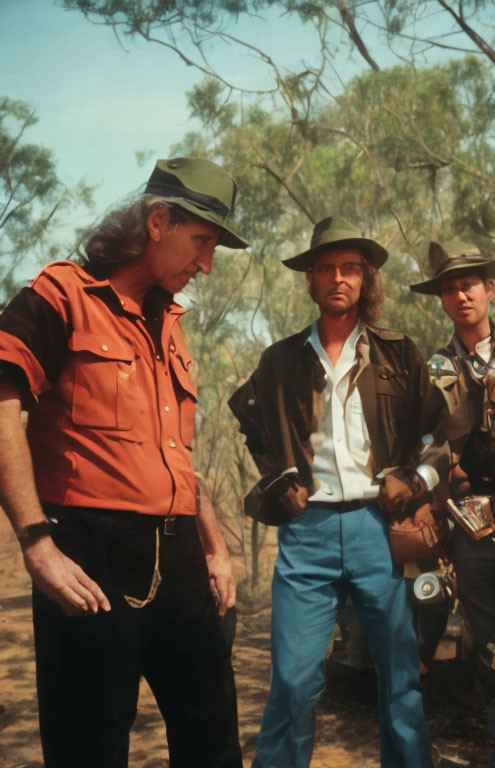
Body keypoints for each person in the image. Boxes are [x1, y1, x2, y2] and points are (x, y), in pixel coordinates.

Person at [0, 157, 247, 768]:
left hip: (182, 551)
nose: (207, 265)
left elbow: (177, 453)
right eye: (202, 243)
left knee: (213, 741)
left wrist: (214, 547)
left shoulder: (172, 323)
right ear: (157, 221)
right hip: (92, 554)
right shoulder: (63, 294)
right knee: (89, 746)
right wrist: (36, 542)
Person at [228, 215, 441, 768]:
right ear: (310, 280)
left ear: (365, 279)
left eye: (349, 268)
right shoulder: (280, 360)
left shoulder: (398, 353)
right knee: (294, 683)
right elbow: (250, 422)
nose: (337, 278)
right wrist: (281, 482)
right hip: (307, 535)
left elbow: (441, 433)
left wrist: (414, 479)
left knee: (400, 680)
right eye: (326, 268)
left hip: (380, 528)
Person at [410, 240, 495, 768]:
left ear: (490, 289)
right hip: (471, 519)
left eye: (470, 283)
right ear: (441, 299)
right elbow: (426, 443)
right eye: (449, 287)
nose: (460, 294)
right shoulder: (434, 367)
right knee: (490, 643)